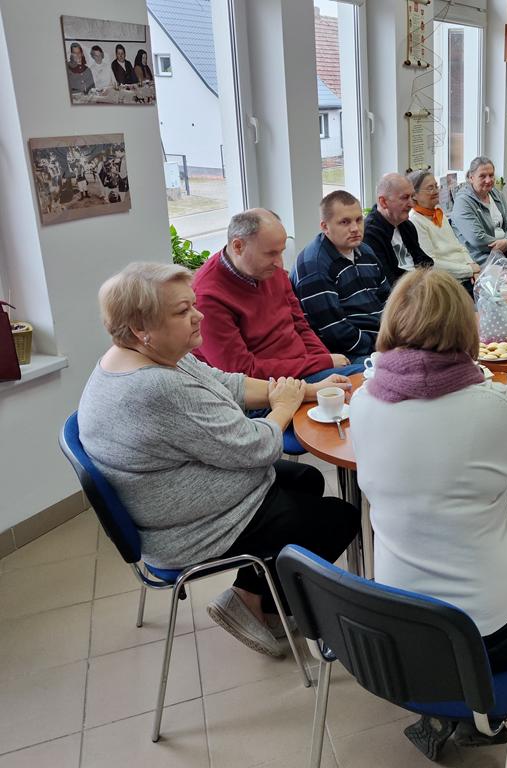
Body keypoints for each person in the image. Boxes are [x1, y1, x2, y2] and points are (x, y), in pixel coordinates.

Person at [78, 262, 360, 657]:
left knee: (307, 481)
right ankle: (250, 599)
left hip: (181, 500)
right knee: (340, 518)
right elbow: (257, 447)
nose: (199, 316)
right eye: (183, 311)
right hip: (189, 528)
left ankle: (261, 595)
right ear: (142, 328)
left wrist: (305, 391)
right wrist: (283, 406)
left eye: (193, 304)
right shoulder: (158, 388)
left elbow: (227, 384)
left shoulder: (143, 354)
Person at [349, 267, 507, 759]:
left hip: (395, 628)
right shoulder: (492, 404)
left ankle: (444, 709)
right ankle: (479, 715)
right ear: (467, 328)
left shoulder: (362, 401)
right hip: (486, 637)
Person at [193, 208, 360, 380]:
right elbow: (242, 373)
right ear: (238, 246)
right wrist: (322, 363)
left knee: (370, 377)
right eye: (270, 254)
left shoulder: (267, 270)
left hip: (304, 368)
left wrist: (325, 362)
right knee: (369, 381)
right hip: (271, 386)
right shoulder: (207, 297)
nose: (280, 264)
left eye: (281, 251)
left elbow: (300, 325)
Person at [292, 190, 391, 362]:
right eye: (344, 222)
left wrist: (399, 334)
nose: (355, 228)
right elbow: (336, 333)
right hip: (348, 354)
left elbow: (388, 301)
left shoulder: (365, 251)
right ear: (325, 227)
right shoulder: (314, 266)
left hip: (381, 340)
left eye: (358, 220)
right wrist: (384, 346)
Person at [407, 170, 480, 288]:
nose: (436, 191)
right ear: (414, 194)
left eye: (436, 186)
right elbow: (431, 264)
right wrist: (469, 270)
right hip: (447, 282)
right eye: (430, 188)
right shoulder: (415, 221)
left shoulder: (438, 212)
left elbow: (459, 246)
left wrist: (472, 265)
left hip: (466, 273)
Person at [362, 173, 434, 285]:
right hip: (402, 292)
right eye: (405, 198)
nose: (411, 204)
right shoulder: (370, 235)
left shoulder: (406, 225)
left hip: (420, 284)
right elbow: (387, 281)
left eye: (412, 197)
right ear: (383, 202)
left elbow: (424, 261)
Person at [451, 156, 507, 263]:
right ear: (471, 178)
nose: (488, 180)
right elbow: (477, 239)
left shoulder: (496, 194)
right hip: (482, 255)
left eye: (491, 175)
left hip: (504, 248)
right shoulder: (463, 202)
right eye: (482, 176)